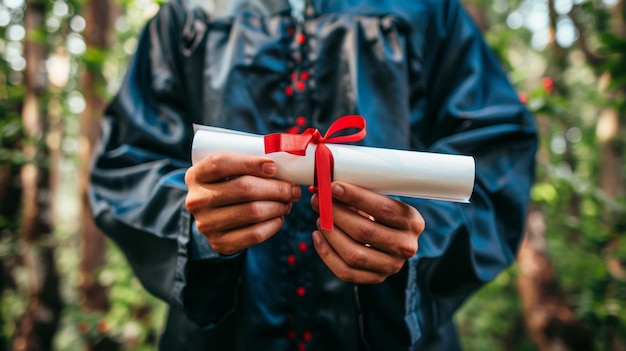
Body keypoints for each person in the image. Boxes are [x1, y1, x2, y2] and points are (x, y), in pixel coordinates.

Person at [88, 0, 538, 350]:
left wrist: (417, 241)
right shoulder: (192, 14)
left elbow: (495, 161)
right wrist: (194, 221)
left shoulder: (426, 10)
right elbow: (127, 165)